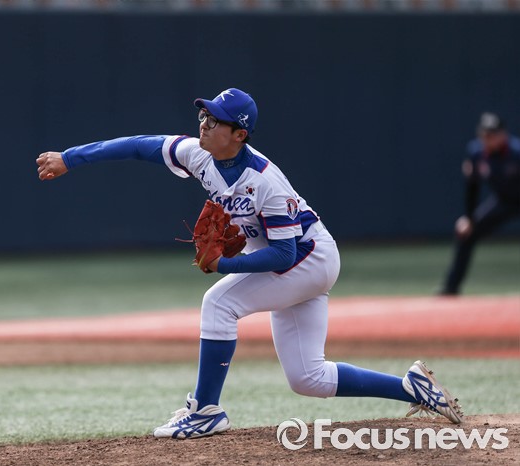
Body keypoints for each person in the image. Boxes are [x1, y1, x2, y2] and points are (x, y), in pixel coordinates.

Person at [36, 88, 463, 439]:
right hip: (297, 261)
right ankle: (412, 388)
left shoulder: (264, 181)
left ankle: (205, 410)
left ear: (239, 134)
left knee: (219, 303)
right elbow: (138, 146)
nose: (204, 124)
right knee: (308, 378)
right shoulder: (199, 154)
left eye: (215, 120)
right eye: (204, 115)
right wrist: (71, 158)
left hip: (308, 258)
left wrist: (223, 265)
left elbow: (284, 255)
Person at [440, 112, 520, 296]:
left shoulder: (517, 153)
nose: (488, 138)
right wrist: (469, 218)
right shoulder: (476, 153)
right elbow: (472, 187)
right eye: (484, 134)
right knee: (466, 234)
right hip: (504, 201)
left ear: (503, 134)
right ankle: (451, 288)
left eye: (492, 134)